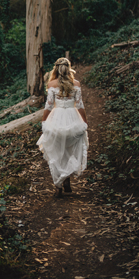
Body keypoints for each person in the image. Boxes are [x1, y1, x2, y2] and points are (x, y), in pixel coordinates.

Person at [37, 57, 88, 198]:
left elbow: (48, 106)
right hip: (73, 119)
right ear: (68, 68)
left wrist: (44, 122)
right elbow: (80, 105)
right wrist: (84, 121)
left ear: (56, 68)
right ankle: (67, 181)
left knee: (57, 152)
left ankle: (58, 186)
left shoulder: (52, 84)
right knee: (70, 150)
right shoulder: (76, 84)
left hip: (56, 119)